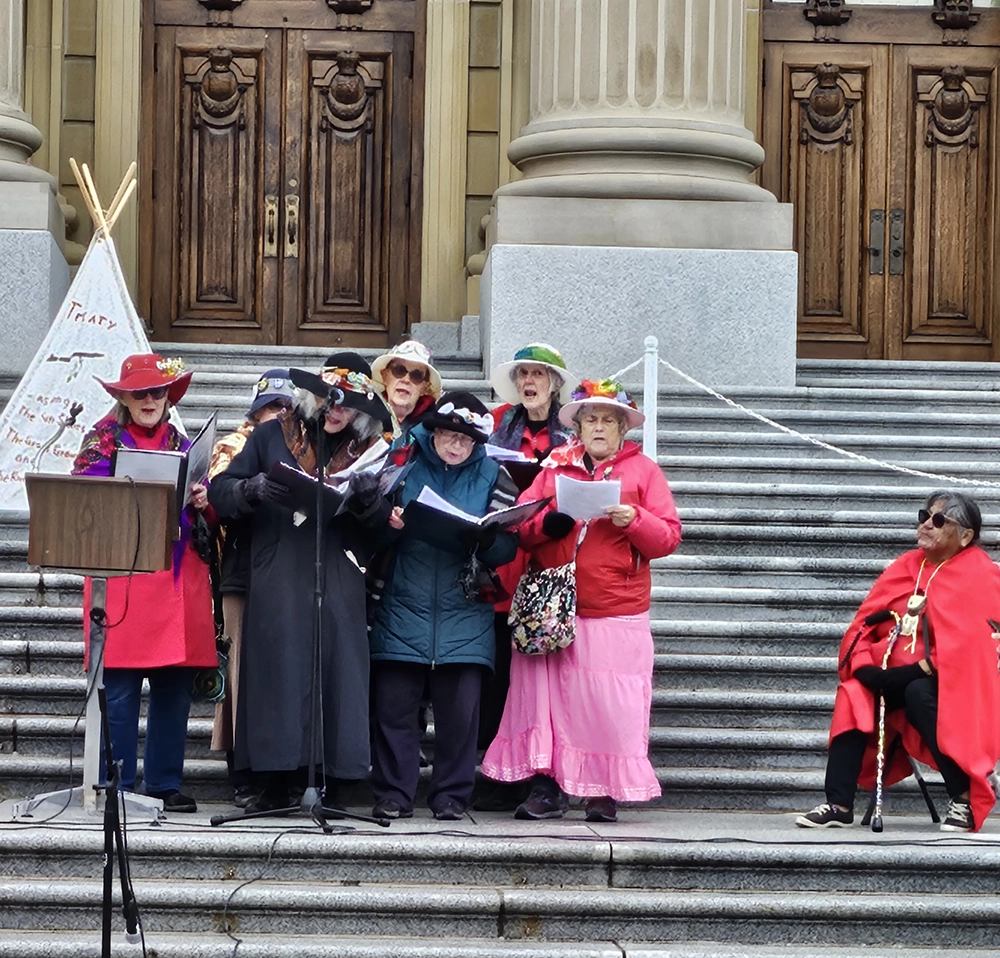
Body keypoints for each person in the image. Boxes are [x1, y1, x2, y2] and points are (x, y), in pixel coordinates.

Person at [482, 378, 682, 823]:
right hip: (553, 606)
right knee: (547, 702)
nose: (598, 428)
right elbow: (519, 526)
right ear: (578, 426)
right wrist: (549, 524)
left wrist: (636, 520)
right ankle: (547, 788)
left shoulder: (643, 471)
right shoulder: (554, 466)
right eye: (590, 419)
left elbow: (668, 537)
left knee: (607, 705)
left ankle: (602, 791)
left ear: (622, 430)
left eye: (608, 421)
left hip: (614, 607)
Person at [208, 352, 393, 811]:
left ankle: (331, 778)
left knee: (336, 670)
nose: (336, 412)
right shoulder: (274, 434)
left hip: (337, 572)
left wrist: (371, 505)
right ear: (313, 397)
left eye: (348, 405)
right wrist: (249, 491)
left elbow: (381, 531)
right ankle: (274, 780)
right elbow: (220, 490)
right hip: (278, 569)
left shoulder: (367, 453)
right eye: (330, 402)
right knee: (277, 669)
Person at [796, 491, 1000, 832]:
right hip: (886, 672)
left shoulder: (981, 575)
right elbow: (864, 625)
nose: (926, 525)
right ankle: (838, 803)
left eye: (938, 520)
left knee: (919, 693)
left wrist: (920, 669)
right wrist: (864, 667)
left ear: (965, 536)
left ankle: (963, 796)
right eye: (924, 515)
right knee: (853, 692)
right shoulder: (905, 566)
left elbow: (972, 646)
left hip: (944, 681)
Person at [72, 353, 216, 813]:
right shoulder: (101, 440)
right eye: (142, 393)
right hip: (123, 578)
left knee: (174, 689)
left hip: (176, 581)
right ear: (125, 398)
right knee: (118, 690)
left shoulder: (185, 442)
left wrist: (202, 497)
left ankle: (163, 784)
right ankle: (114, 783)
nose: (151, 400)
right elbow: (81, 497)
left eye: (158, 392)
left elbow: (208, 512)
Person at [369, 391, 519, 821]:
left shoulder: (496, 476)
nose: (456, 445)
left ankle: (451, 795)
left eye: (466, 440)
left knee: (460, 716)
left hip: (465, 609)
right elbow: (367, 525)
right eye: (450, 436)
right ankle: (394, 794)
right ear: (433, 432)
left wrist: (489, 538)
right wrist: (388, 522)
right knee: (394, 710)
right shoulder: (403, 464)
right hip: (402, 602)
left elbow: (507, 547)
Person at [474, 343, 575, 810]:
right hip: (498, 561)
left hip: (544, 567)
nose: (529, 382)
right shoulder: (496, 424)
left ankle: (536, 770)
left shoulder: (572, 434)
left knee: (532, 679)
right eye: (522, 375)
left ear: (555, 384)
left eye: (538, 374)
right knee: (495, 678)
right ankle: (499, 770)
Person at [207, 369, 296, 808]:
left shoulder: (306, 446)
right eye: (271, 408)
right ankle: (241, 769)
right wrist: (250, 488)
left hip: (292, 575)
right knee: (240, 674)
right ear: (256, 413)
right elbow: (217, 500)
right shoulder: (234, 446)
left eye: (285, 407)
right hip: (242, 573)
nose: (278, 414)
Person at [371, 340, 442, 440]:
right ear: (385, 376)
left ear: (424, 388)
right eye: (399, 370)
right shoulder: (365, 416)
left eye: (416, 376)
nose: (406, 380)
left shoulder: (432, 429)